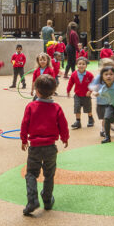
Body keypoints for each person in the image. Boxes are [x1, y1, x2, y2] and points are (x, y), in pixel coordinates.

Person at [19, 74, 70, 216]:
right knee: (49, 175)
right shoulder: (56, 107)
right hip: (50, 148)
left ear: (36, 90)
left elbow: (24, 124)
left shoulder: (31, 106)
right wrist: (65, 138)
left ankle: (32, 200)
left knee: (31, 174)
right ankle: (47, 200)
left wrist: (24, 139)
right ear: (53, 91)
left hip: (35, 147)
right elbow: (63, 125)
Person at [66, 57, 94, 130]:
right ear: (77, 65)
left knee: (88, 108)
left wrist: (90, 91)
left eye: (83, 64)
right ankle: (78, 121)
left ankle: (90, 118)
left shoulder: (89, 75)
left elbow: (93, 84)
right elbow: (70, 83)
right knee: (77, 108)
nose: (81, 65)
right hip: (77, 95)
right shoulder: (74, 74)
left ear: (86, 66)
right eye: (79, 64)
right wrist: (68, 91)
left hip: (86, 96)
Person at [90, 58, 114, 137]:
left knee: (109, 117)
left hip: (111, 101)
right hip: (102, 102)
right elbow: (91, 86)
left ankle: (107, 127)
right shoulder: (99, 77)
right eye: (106, 67)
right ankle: (103, 130)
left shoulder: (113, 77)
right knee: (105, 117)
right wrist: (94, 91)